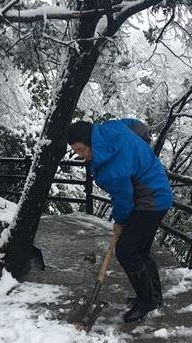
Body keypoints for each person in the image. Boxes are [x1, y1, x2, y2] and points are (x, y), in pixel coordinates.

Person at [66, 118, 173, 323]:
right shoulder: (111, 128)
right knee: (139, 250)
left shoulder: (109, 166)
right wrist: (143, 145)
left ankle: (147, 301)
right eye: (76, 151)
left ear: (90, 141)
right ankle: (153, 296)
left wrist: (120, 221)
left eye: (81, 149)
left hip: (150, 200)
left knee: (126, 250)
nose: (81, 156)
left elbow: (124, 198)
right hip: (158, 191)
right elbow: (138, 126)